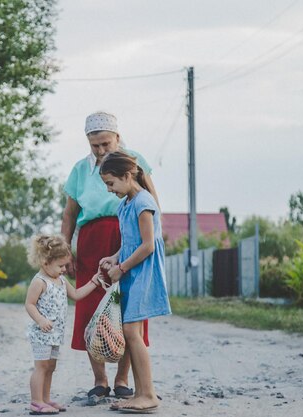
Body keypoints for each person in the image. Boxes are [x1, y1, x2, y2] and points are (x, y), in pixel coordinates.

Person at [61, 111, 160, 402]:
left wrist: (152, 235)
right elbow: (69, 214)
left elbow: (152, 200)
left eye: (106, 143)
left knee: (127, 309)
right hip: (92, 241)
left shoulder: (133, 160)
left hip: (126, 235)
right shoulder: (80, 169)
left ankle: (123, 380)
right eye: (95, 145)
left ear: (117, 137)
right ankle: (100, 380)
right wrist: (66, 250)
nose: (102, 150)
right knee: (92, 306)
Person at [98, 151, 171, 413]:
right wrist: (114, 257)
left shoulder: (143, 202)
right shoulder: (124, 205)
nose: (109, 189)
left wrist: (122, 268)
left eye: (111, 183)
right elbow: (130, 242)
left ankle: (148, 394)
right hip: (131, 270)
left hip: (143, 272)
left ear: (128, 176)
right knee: (131, 334)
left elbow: (148, 246)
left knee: (131, 332)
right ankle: (140, 393)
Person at [25, 235, 104, 415]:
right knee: (41, 367)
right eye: (61, 266)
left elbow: (76, 294)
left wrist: (94, 281)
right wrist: (40, 320)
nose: (64, 270)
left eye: (65, 266)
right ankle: (36, 401)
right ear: (45, 262)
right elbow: (29, 304)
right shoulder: (39, 282)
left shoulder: (61, 281)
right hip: (42, 333)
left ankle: (46, 399)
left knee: (51, 367)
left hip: (55, 334)